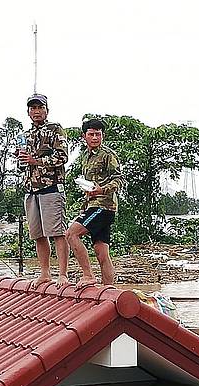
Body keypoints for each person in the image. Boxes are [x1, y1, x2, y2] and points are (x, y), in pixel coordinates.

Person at [18, 93, 70, 287]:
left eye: (40, 107)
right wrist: (22, 159)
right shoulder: (25, 135)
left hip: (51, 187)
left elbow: (62, 157)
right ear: (28, 112)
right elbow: (21, 165)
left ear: (47, 110)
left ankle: (63, 274)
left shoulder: (56, 129)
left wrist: (36, 161)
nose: (36, 111)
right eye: (33, 108)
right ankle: (45, 272)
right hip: (31, 189)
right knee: (38, 234)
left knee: (57, 232)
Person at [65, 118, 123, 289]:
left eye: (98, 134)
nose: (95, 137)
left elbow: (119, 179)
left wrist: (101, 190)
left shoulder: (108, 154)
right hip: (92, 204)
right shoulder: (85, 156)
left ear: (102, 135)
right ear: (84, 136)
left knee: (71, 234)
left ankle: (88, 275)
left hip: (103, 206)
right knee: (101, 252)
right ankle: (108, 289)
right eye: (92, 134)